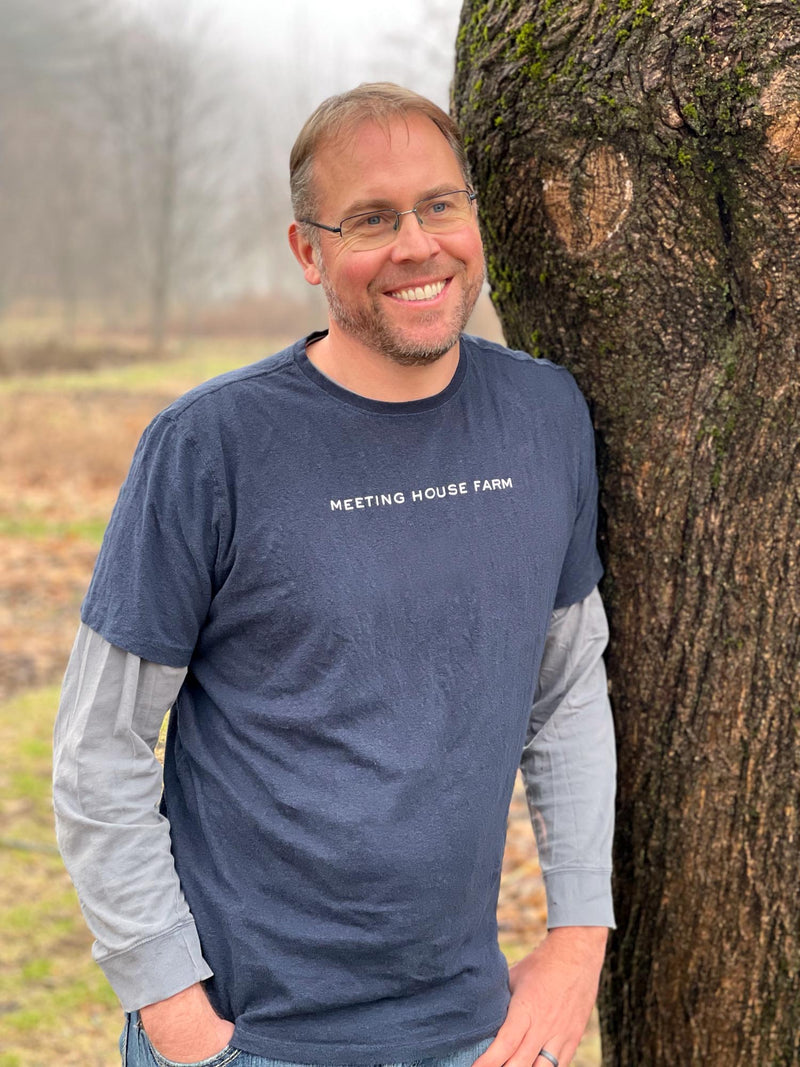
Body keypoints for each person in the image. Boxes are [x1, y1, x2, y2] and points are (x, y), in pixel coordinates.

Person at [53, 83, 615, 1067]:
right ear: (306, 249)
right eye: (370, 219)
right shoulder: (209, 448)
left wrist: (576, 938)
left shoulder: (543, 416)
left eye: (439, 204)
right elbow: (97, 747)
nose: (416, 244)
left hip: (468, 1028)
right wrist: (174, 1010)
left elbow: (564, 693)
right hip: (249, 1035)